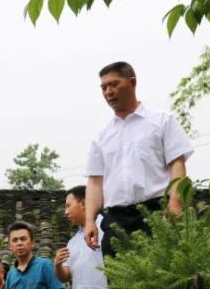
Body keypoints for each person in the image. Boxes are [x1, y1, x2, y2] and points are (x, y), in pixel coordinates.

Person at [83, 61, 194, 255]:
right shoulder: (101, 136)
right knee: (119, 282)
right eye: (104, 87)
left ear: (132, 82)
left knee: (163, 279)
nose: (109, 92)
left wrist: (175, 203)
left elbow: (177, 164)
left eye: (114, 84)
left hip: (157, 212)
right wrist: (90, 220)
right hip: (116, 219)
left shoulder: (162, 121)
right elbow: (94, 182)